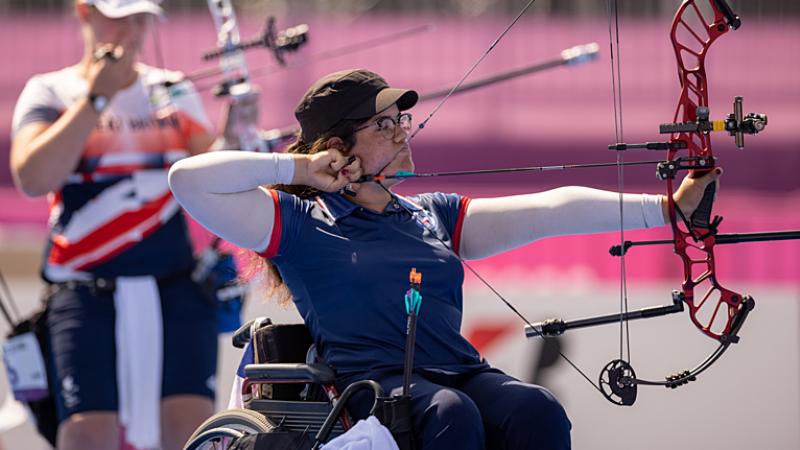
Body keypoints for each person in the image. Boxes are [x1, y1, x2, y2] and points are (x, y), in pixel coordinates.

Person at [168, 68, 721, 450]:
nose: (402, 132)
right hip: (369, 391)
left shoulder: (432, 213)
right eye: (382, 125)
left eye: (400, 121)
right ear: (337, 148)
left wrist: (667, 209)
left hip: (458, 374)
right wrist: (299, 172)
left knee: (535, 409)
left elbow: (553, 209)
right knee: (449, 414)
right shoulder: (297, 223)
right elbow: (187, 181)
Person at [8, 1, 237, 449]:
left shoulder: (170, 88)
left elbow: (210, 173)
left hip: (175, 283)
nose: (132, 28)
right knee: (88, 434)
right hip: (85, 290)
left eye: (142, 16)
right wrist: (97, 97)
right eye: (120, 14)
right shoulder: (50, 91)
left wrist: (237, 134)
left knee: (193, 433)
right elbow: (34, 178)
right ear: (85, 14)